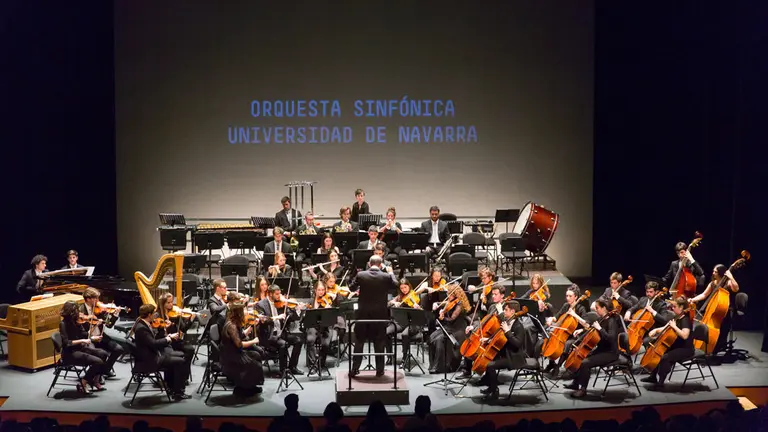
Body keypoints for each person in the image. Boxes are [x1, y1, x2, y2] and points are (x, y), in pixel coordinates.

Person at [350, 254, 398, 376]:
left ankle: (355, 369)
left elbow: (351, 288)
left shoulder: (361, 275)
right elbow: (396, 285)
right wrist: (391, 272)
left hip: (363, 315)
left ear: (369, 264)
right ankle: (380, 370)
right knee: (379, 343)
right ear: (381, 264)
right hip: (380, 316)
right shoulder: (386, 276)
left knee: (359, 342)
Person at [565, 299, 622, 398]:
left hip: (611, 353)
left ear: (604, 308)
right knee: (581, 357)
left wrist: (600, 328)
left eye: (597, 308)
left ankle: (583, 390)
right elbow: (593, 328)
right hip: (602, 350)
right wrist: (582, 330)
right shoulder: (603, 318)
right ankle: (575, 383)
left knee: (585, 363)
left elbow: (611, 339)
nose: (596, 310)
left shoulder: (612, 320)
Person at [132, 304, 189, 400]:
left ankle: (172, 388)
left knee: (177, 358)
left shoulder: (143, 324)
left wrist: (165, 332)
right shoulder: (141, 328)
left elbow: (151, 341)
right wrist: (168, 338)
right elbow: (153, 343)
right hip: (150, 360)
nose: (155, 316)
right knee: (180, 362)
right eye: (154, 314)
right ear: (149, 315)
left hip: (150, 355)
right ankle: (178, 392)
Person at [478, 301, 527, 399]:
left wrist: (507, 331)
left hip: (514, 357)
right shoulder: (507, 322)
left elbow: (517, 344)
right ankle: (491, 387)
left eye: (506, 310)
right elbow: (500, 337)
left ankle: (495, 391)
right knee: (488, 359)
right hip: (506, 353)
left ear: (513, 311)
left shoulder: (519, 326)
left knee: (490, 366)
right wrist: (488, 340)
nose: (504, 312)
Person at [641, 296, 694, 388]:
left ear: (681, 308)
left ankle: (661, 382)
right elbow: (665, 327)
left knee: (664, 357)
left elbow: (685, 336)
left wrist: (674, 327)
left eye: (674, 306)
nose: (672, 308)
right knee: (657, 351)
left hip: (685, 349)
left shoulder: (685, 320)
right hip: (675, 345)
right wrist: (656, 330)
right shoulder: (676, 317)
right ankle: (653, 377)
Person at [58, 300, 108, 394]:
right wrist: (82, 341)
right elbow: (66, 343)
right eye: (77, 310)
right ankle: (83, 382)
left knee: (103, 354)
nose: (79, 312)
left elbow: (84, 334)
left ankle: (95, 381)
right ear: (71, 312)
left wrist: (93, 337)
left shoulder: (76, 321)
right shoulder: (63, 324)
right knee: (98, 362)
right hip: (70, 353)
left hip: (80, 349)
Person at [459, 285, 507, 379]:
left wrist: (501, 311)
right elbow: (484, 322)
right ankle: (467, 370)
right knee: (470, 340)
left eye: (495, 294)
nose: (493, 296)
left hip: (499, 338)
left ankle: (486, 375)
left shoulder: (507, 307)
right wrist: (473, 326)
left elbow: (506, 323)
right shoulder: (492, 306)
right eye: (492, 294)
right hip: (489, 334)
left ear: (502, 295)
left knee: (478, 346)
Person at [254, 285, 304, 375]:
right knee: (283, 344)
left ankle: (292, 367)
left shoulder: (281, 303)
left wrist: (297, 310)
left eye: (279, 294)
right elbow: (263, 320)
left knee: (298, 340)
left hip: (281, 332)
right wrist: (277, 317)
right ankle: (283, 370)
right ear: (270, 294)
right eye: (277, 294)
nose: (279, 296)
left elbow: (292, 318)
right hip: (268, 335)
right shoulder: (260, 305)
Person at [689, 264, 740, 352]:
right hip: (713, 310)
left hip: (725, 311)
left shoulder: (728, 283)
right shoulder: (712, 283)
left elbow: (736, 289)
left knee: (722, 330)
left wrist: (731, 277)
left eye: (715, 271)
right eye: (713, 271)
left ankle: (717, 347)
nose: (713, 273)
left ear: (720, 273)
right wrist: (692, 300)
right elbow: (704, 295)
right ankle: (707, 347)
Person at [541, 284, 589, 377]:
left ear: (576, 297)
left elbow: (587, 325)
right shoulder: (566, 306)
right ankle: (551, 363)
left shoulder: (580, 308)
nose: (567, 298)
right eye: (567, 295)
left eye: (570, 296)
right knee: (550, 338)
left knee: (567, 344)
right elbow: (558, 316)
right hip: (563, 333)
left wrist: (575, 315)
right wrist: (552, 319)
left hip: (575, 335)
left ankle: (558, 366)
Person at [219, 302, 264, 397]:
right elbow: (239, 345)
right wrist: (253, 341)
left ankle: (250, 385)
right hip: (231, 355)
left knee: (256, 355)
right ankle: (243, 388)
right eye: (244, 312)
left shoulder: (234, 322)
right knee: (255, 364)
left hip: (234, 351)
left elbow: (240, 336)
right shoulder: (232, 326)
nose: (246, 314)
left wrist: (251, 327)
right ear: (238, 313)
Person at [428, 285, 470, 374]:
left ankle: (441, 367)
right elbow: (446, 304)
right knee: (432, 336)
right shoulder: (450, 301)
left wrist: (443, 318)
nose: (448, 295)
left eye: (450, 294)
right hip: (449, 327)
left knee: (440, 340)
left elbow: (452, 319)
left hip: (457, 329)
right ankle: (433, 364)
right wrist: (438, 304)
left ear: (456, 295)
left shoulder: (460, 305)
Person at [153, 292, 194, 383]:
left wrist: (190, 320)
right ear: (162, 304)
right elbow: (155, 335)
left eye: (172, 302)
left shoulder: (175, 313)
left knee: (190, 349)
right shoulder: (157, 315)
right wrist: (167, 335)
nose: (171, 304)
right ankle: (171, 380)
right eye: (168, 302)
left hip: (175, 341)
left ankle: (183, 376)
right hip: (164, 343)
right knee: (173, 355)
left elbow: (183, 329)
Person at [386, 279, 422, 367]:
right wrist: (394, 302)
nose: (404, 290)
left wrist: (417, 307)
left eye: (405, 287)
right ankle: (390, 356)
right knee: (386, 332)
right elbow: (388, 303)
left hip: (413, 324)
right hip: (401, 323)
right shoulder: (400, 296)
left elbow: (421, 312)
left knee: (405, 335)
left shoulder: (415, 295)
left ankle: (404, 357)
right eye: (401, 288)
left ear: (409, 286)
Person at [305, 280, 337, 373]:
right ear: (315, 290)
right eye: (319, 290)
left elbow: (332, 318)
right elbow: (306, 315)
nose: (321, 292)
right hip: (313, 326)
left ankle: (321, 363)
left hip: (325, 327)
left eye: (323, 290)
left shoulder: (328, 300)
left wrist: (329, 309)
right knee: (310, 340)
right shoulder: (311, 301)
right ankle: (313, 365)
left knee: (326, 344)